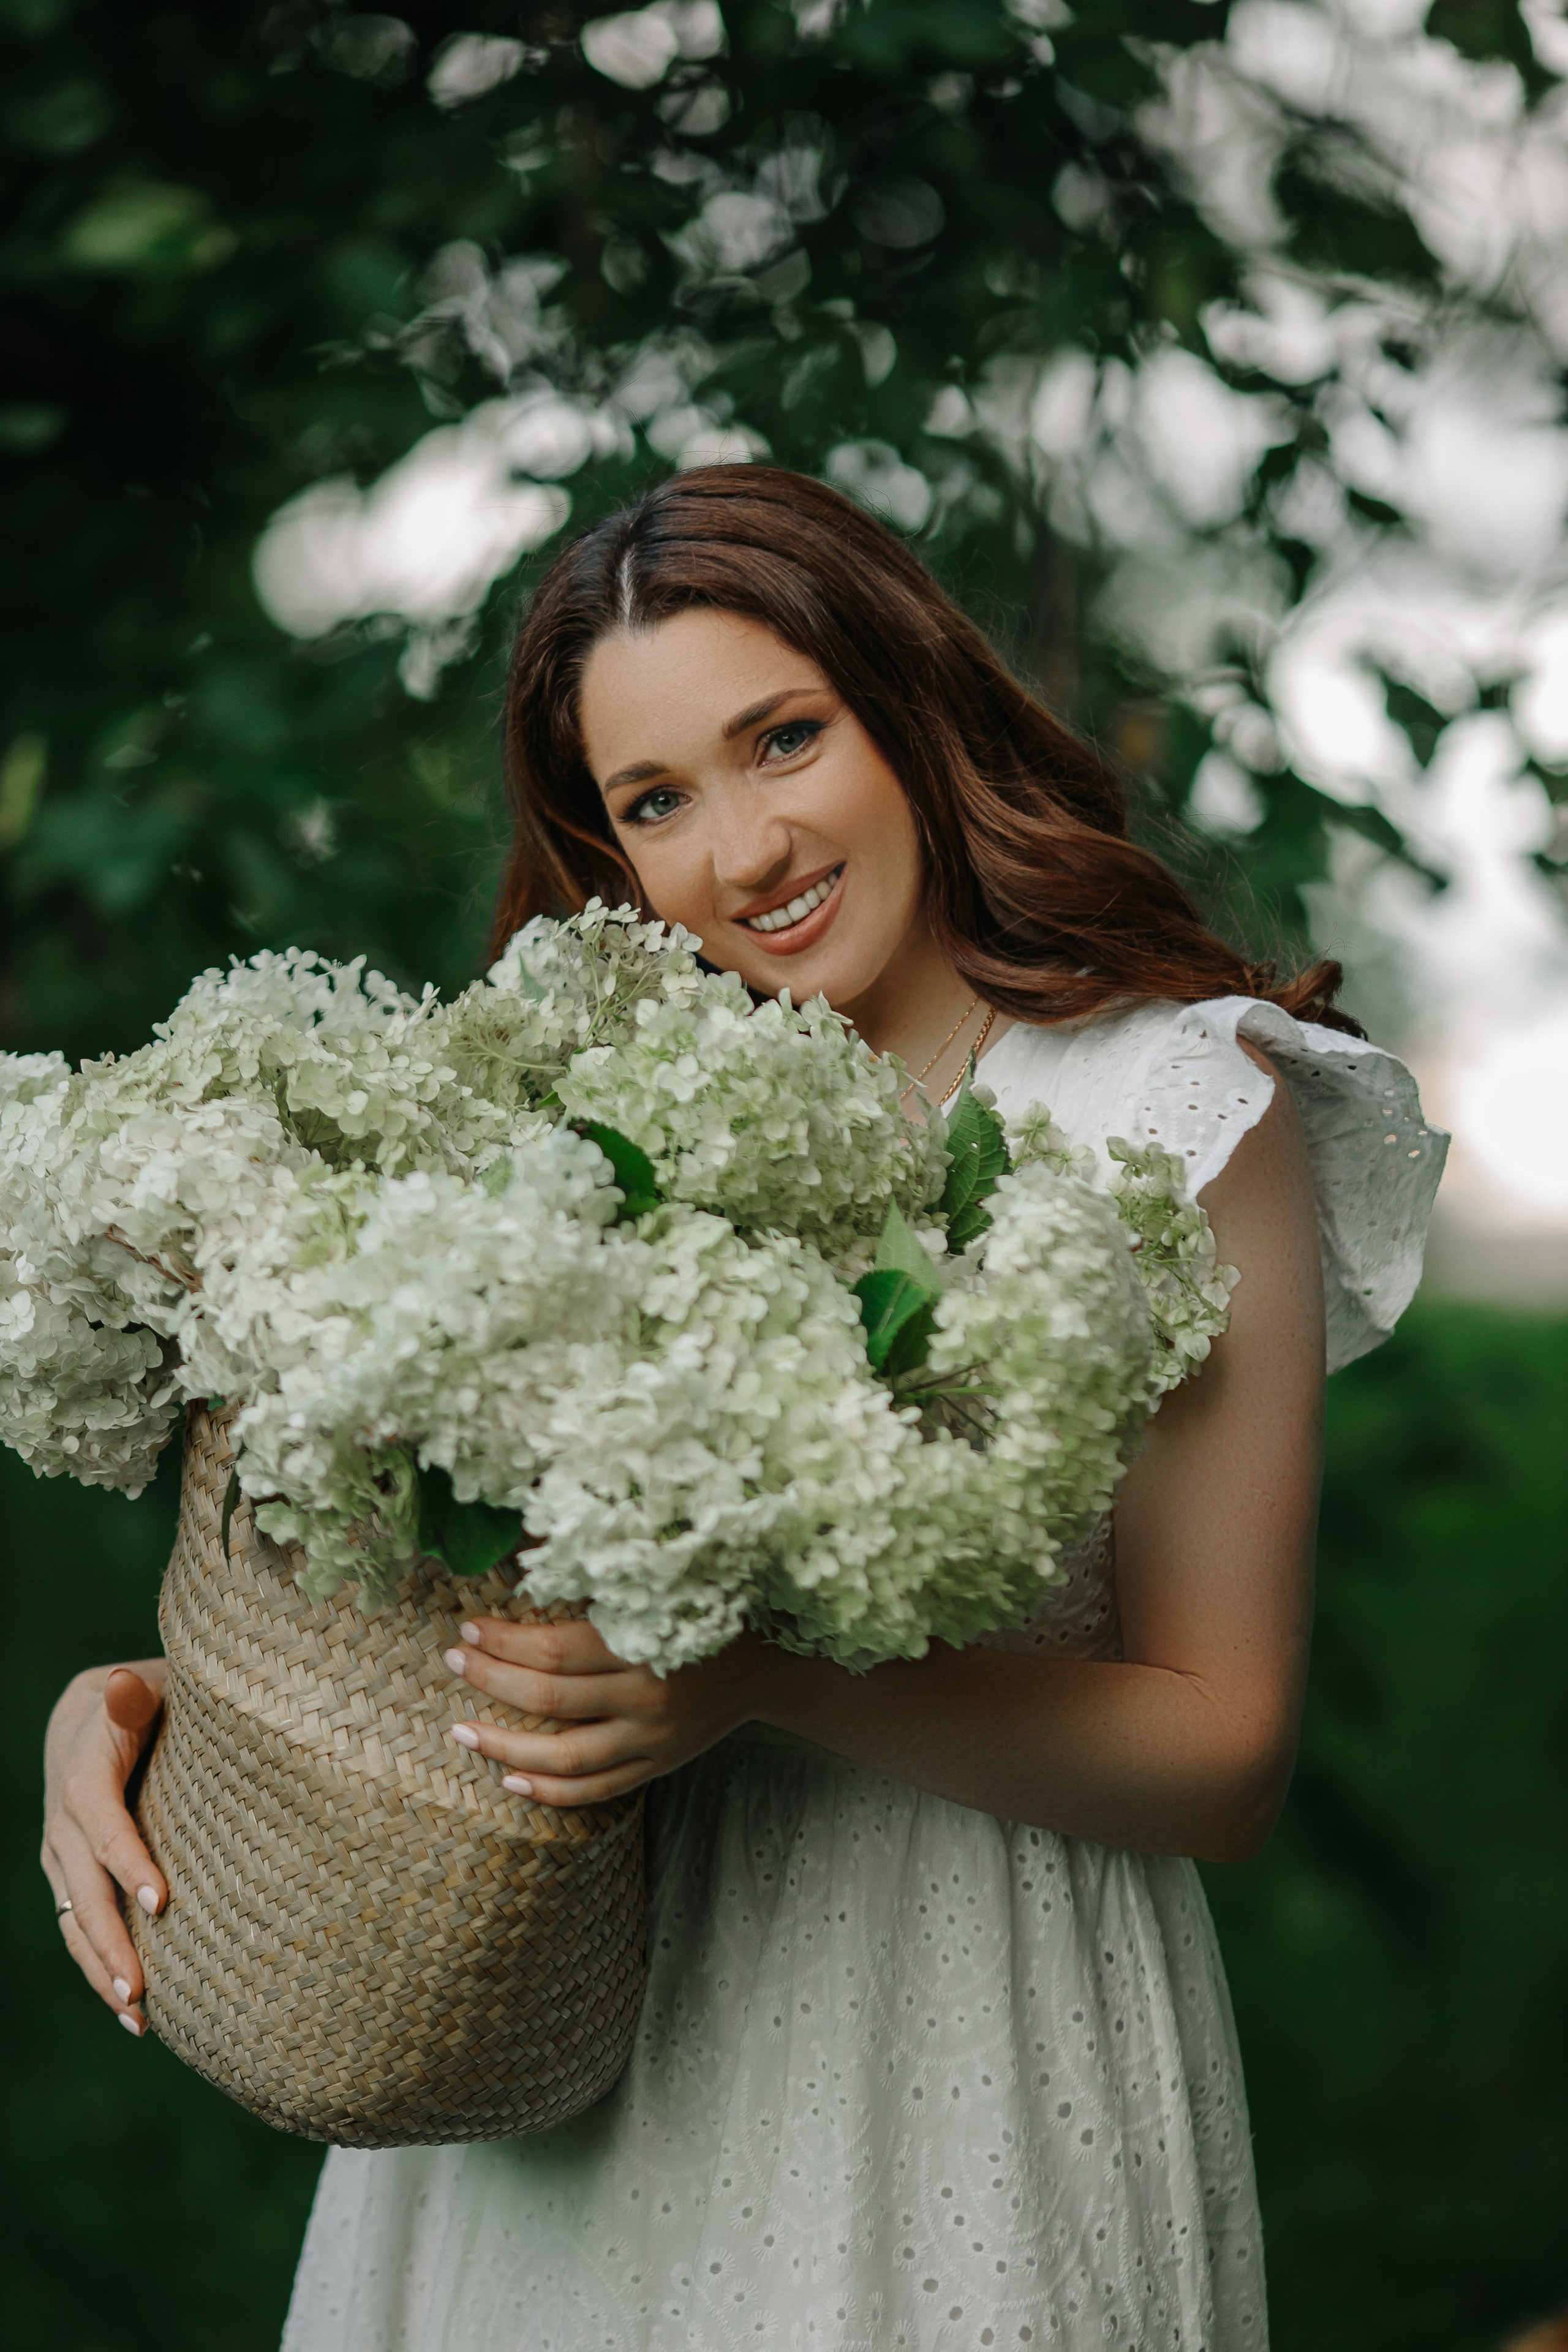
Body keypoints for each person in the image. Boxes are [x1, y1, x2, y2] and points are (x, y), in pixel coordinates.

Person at [42, 467, 1446, 2350]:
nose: (746, 847)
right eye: (656, 802)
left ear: (909, 704)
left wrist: (769, 1678)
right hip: (564, 2048)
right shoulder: (572, 1106)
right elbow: (414, 1590)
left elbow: (1226, 1748)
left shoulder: (1177, 1109)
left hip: (965, 2047)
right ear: (610, 853)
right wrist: (150, 1706)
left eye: (785, 738)